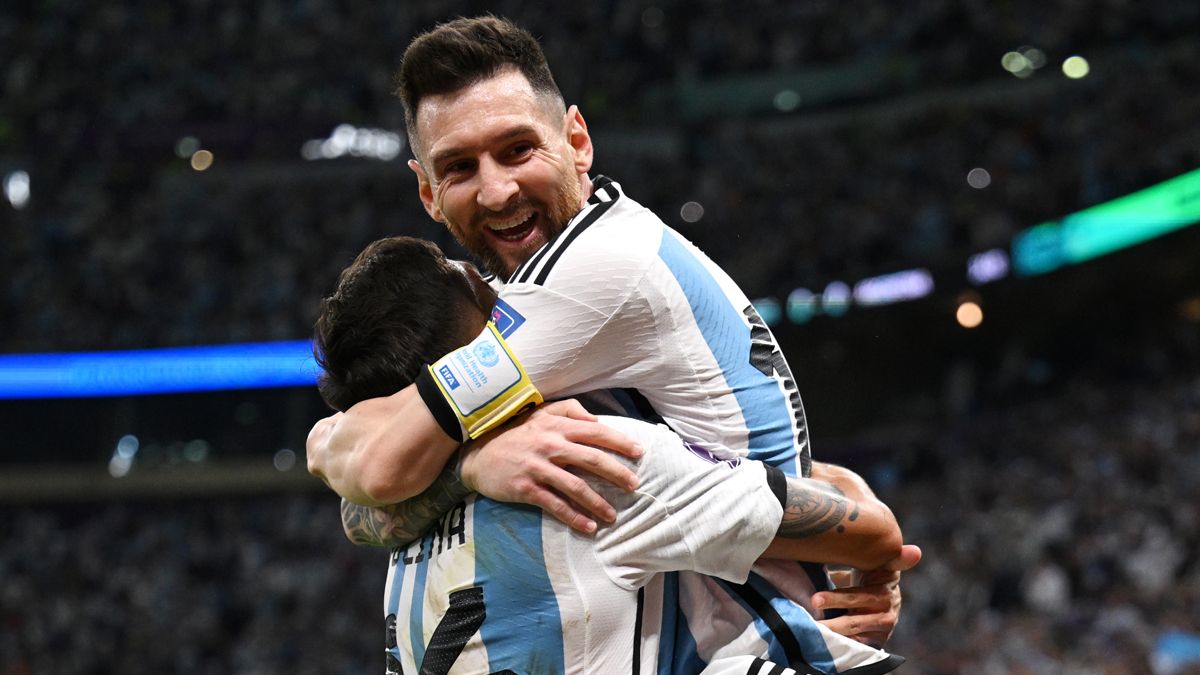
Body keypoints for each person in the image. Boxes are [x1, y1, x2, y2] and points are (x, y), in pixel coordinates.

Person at [306, 14, 913, 665]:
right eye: (460, 167)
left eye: (517, 149)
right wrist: (470, 464)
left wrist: (868, 539)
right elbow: (348, 465)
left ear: (577, 140)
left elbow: (372, 470)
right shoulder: (527, 293)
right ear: (427, 192)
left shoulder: (592, 280)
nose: (497, 188)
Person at [313, 235, 909, 674]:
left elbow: (351, 492)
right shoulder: (593, 463)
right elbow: (873, 535)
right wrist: (866, 527)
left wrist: (464, 467)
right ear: (490, 315)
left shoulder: (393, 509)